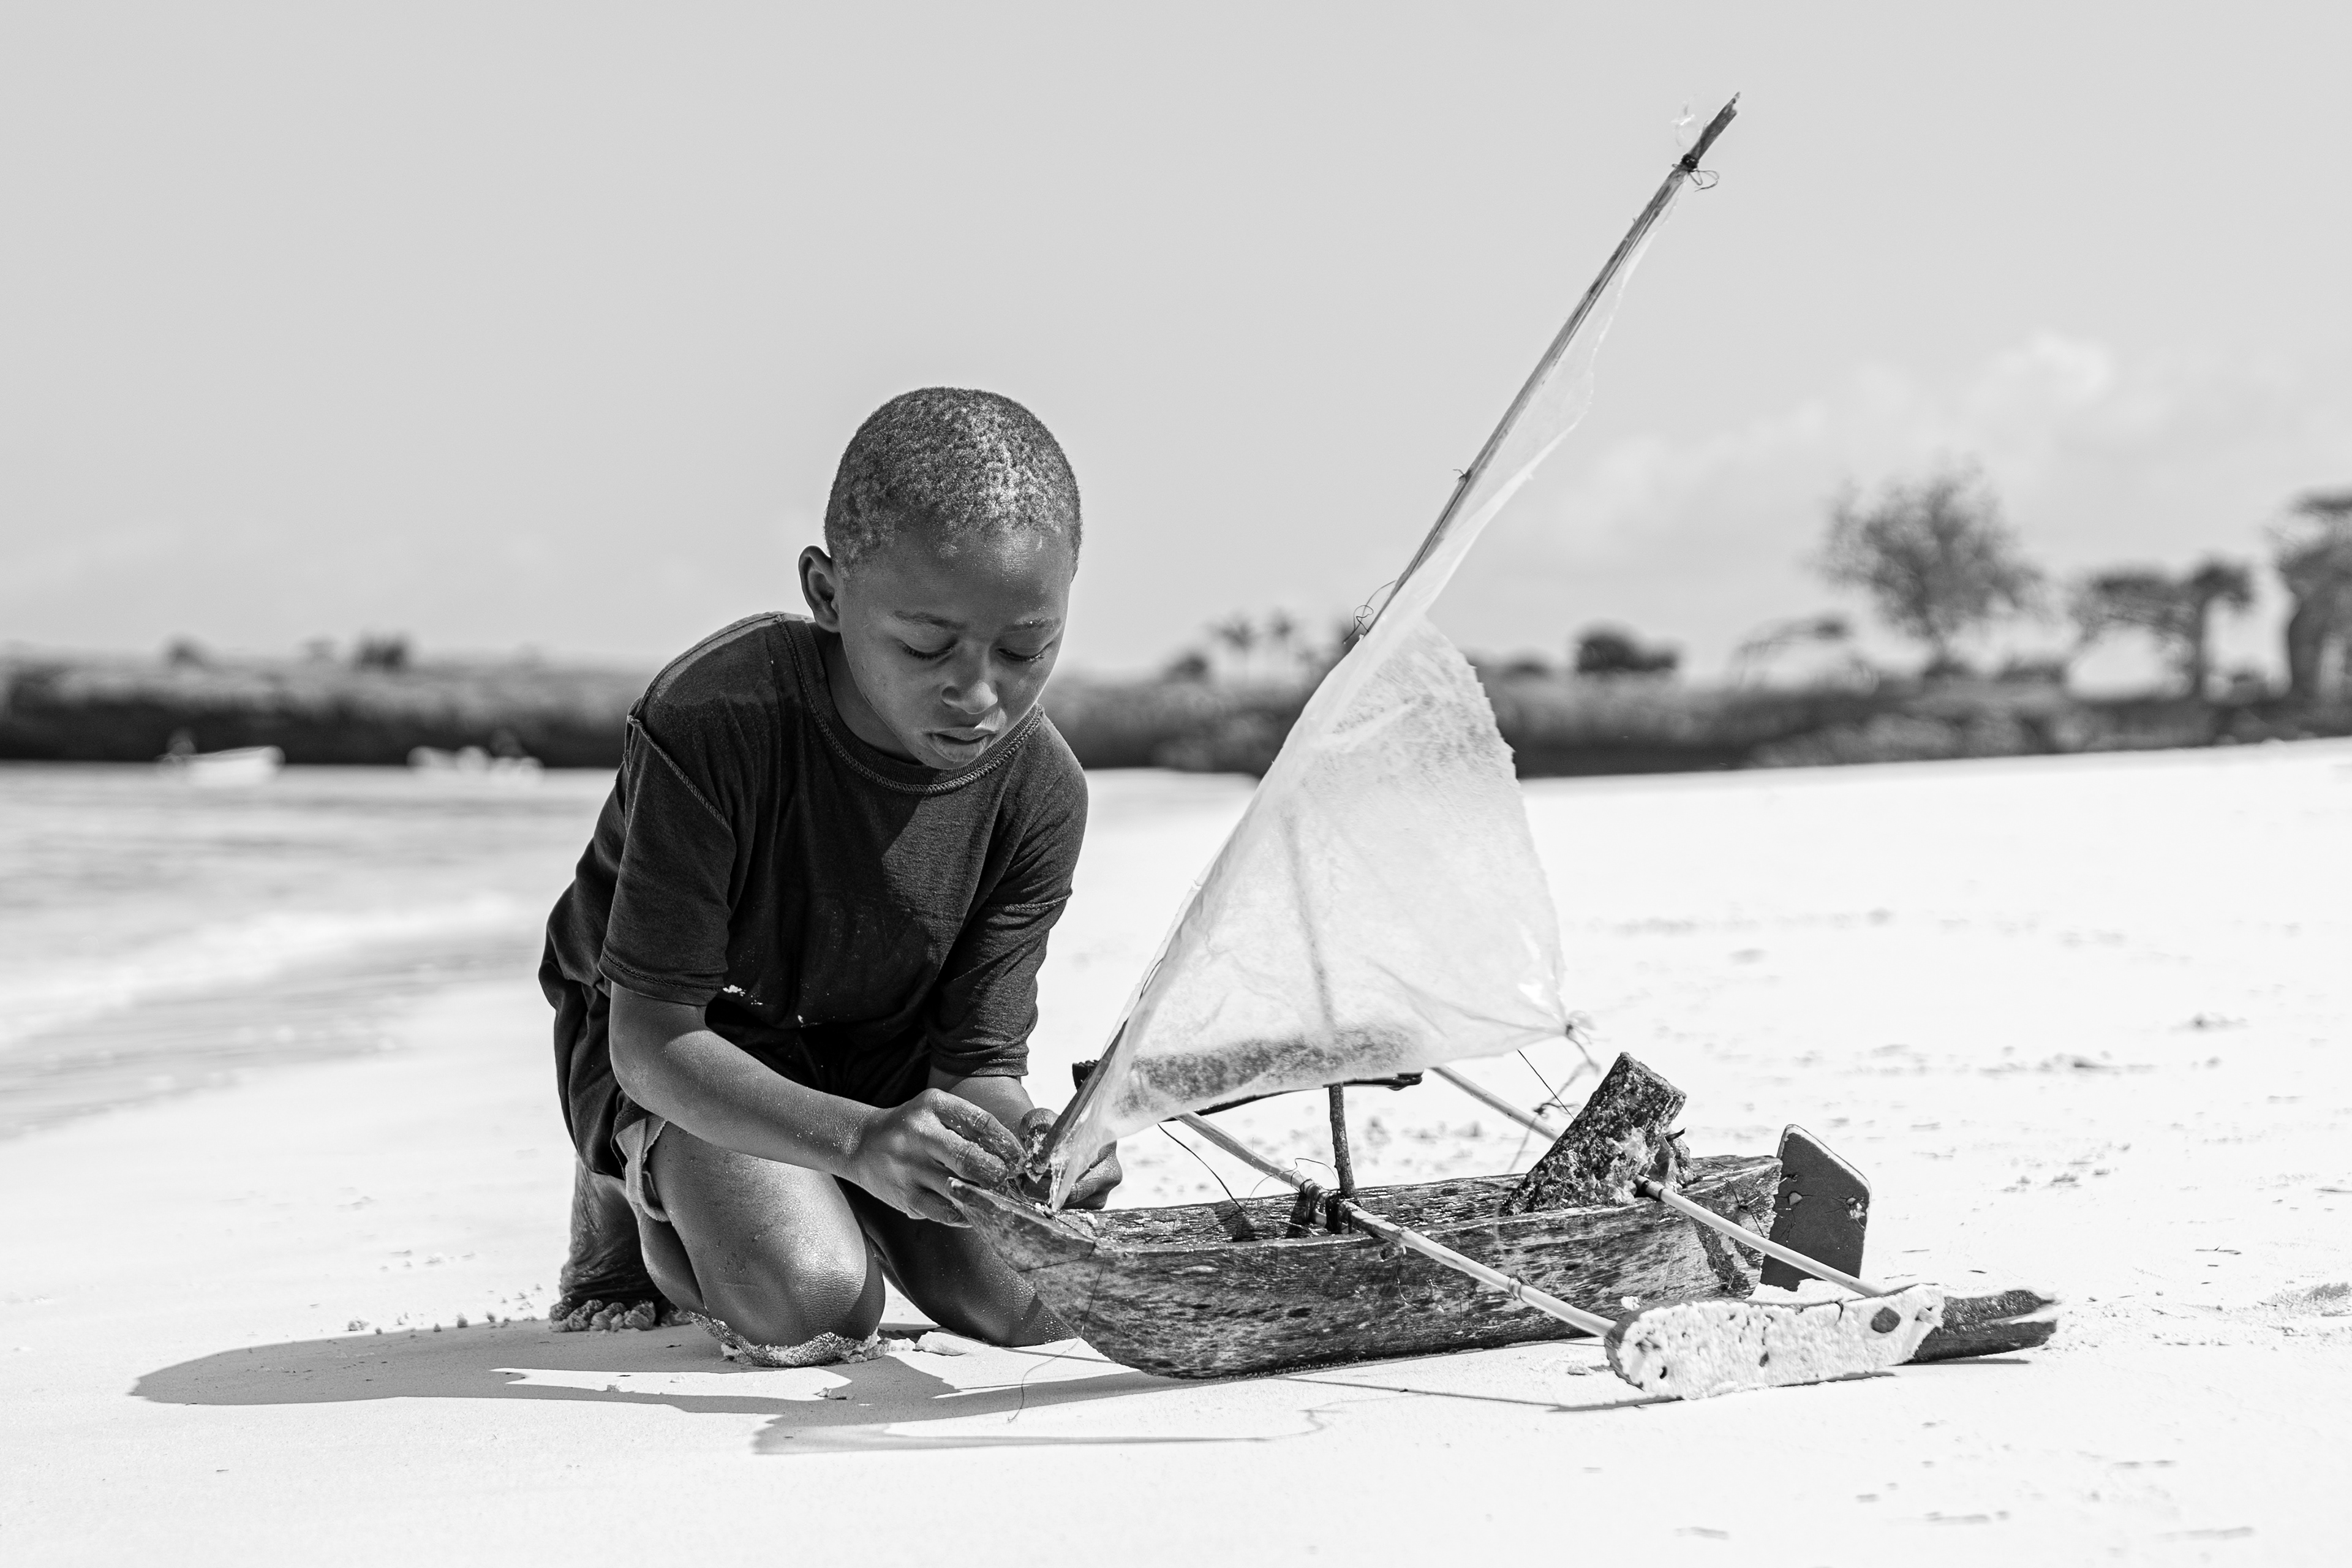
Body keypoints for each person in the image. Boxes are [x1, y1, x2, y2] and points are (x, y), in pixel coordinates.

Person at [538, 387, 1118, 1362]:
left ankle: (829, 1192)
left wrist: (1039, 1145)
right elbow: (651, 1040)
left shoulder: (1040, 791)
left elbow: (975, 1070)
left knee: (1035, 1303)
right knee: (809, 1301)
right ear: (826, 592)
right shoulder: (718, 716)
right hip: (692, 1048)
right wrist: (853, 1142)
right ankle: (628, 1184)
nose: (980, 694)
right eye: (926, 646)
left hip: (886, 1066)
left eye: (1027, 650)